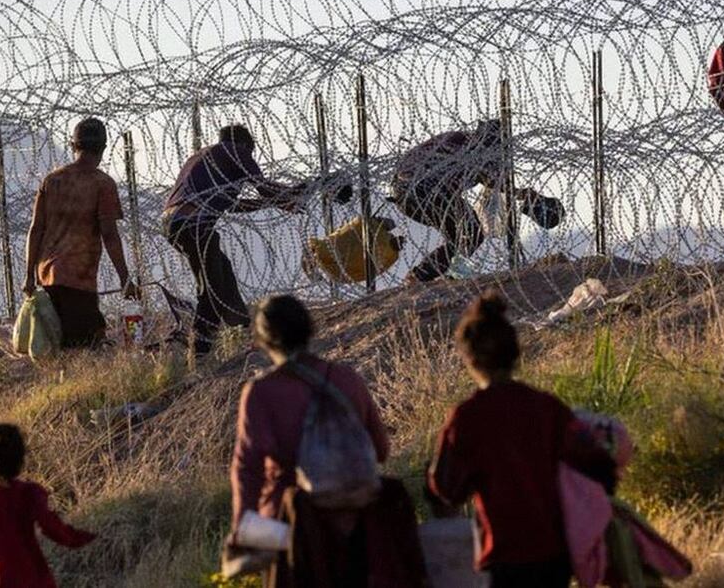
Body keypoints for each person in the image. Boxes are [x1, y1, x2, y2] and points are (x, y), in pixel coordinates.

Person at [229, 295, 426, 588]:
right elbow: (381, 450)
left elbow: (248, 469)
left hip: (293, 529)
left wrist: (243, 531)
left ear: (262, 340)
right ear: (309, 329)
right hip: (362, 526)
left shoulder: (261, 392)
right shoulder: (346, 379)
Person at [428, 292, 617, 588]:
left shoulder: (467, 417)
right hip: (555, 553)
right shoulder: (547, 407)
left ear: (469, 358)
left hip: (504, 554)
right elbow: (600, 465)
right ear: (515, 353)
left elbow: (446, 488)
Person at [163, 125, 307, 357]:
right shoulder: (236, 151)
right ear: (245, 145)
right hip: (194, 224)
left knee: (223, 272)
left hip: (176, 223)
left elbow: (235, 206)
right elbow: (264, 189)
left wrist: (282, 201)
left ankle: (241, 329)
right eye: (251, 153)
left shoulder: (206, 160)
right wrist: (295, 193)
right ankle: (199, 350)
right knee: (212, 288)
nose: (251, 160)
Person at [391, 120, 561, 283]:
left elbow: (492, 180)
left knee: (464, 235)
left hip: (410, 191)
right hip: (423, 190)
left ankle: (426, 275)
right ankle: (420, 276)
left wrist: (521, 194)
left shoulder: (465, 145)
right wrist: (521, 194)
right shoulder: (465, 146)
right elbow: (490, 178)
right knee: (470, 233)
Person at [23, 117, 140, 348]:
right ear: (103, 148)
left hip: (47, 278)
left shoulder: (52, 180)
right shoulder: (102, 184)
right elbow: (109, 234)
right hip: (78, 280)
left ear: (73, 145)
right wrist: (125, 278)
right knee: (87, 346)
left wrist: (28, 275)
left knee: (56, 347)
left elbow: (36, 229)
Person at [0, 423, 96, 588]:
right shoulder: (30, 492)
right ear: (19, 457)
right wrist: (86, 538)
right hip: (33, 576)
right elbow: (52, 528)